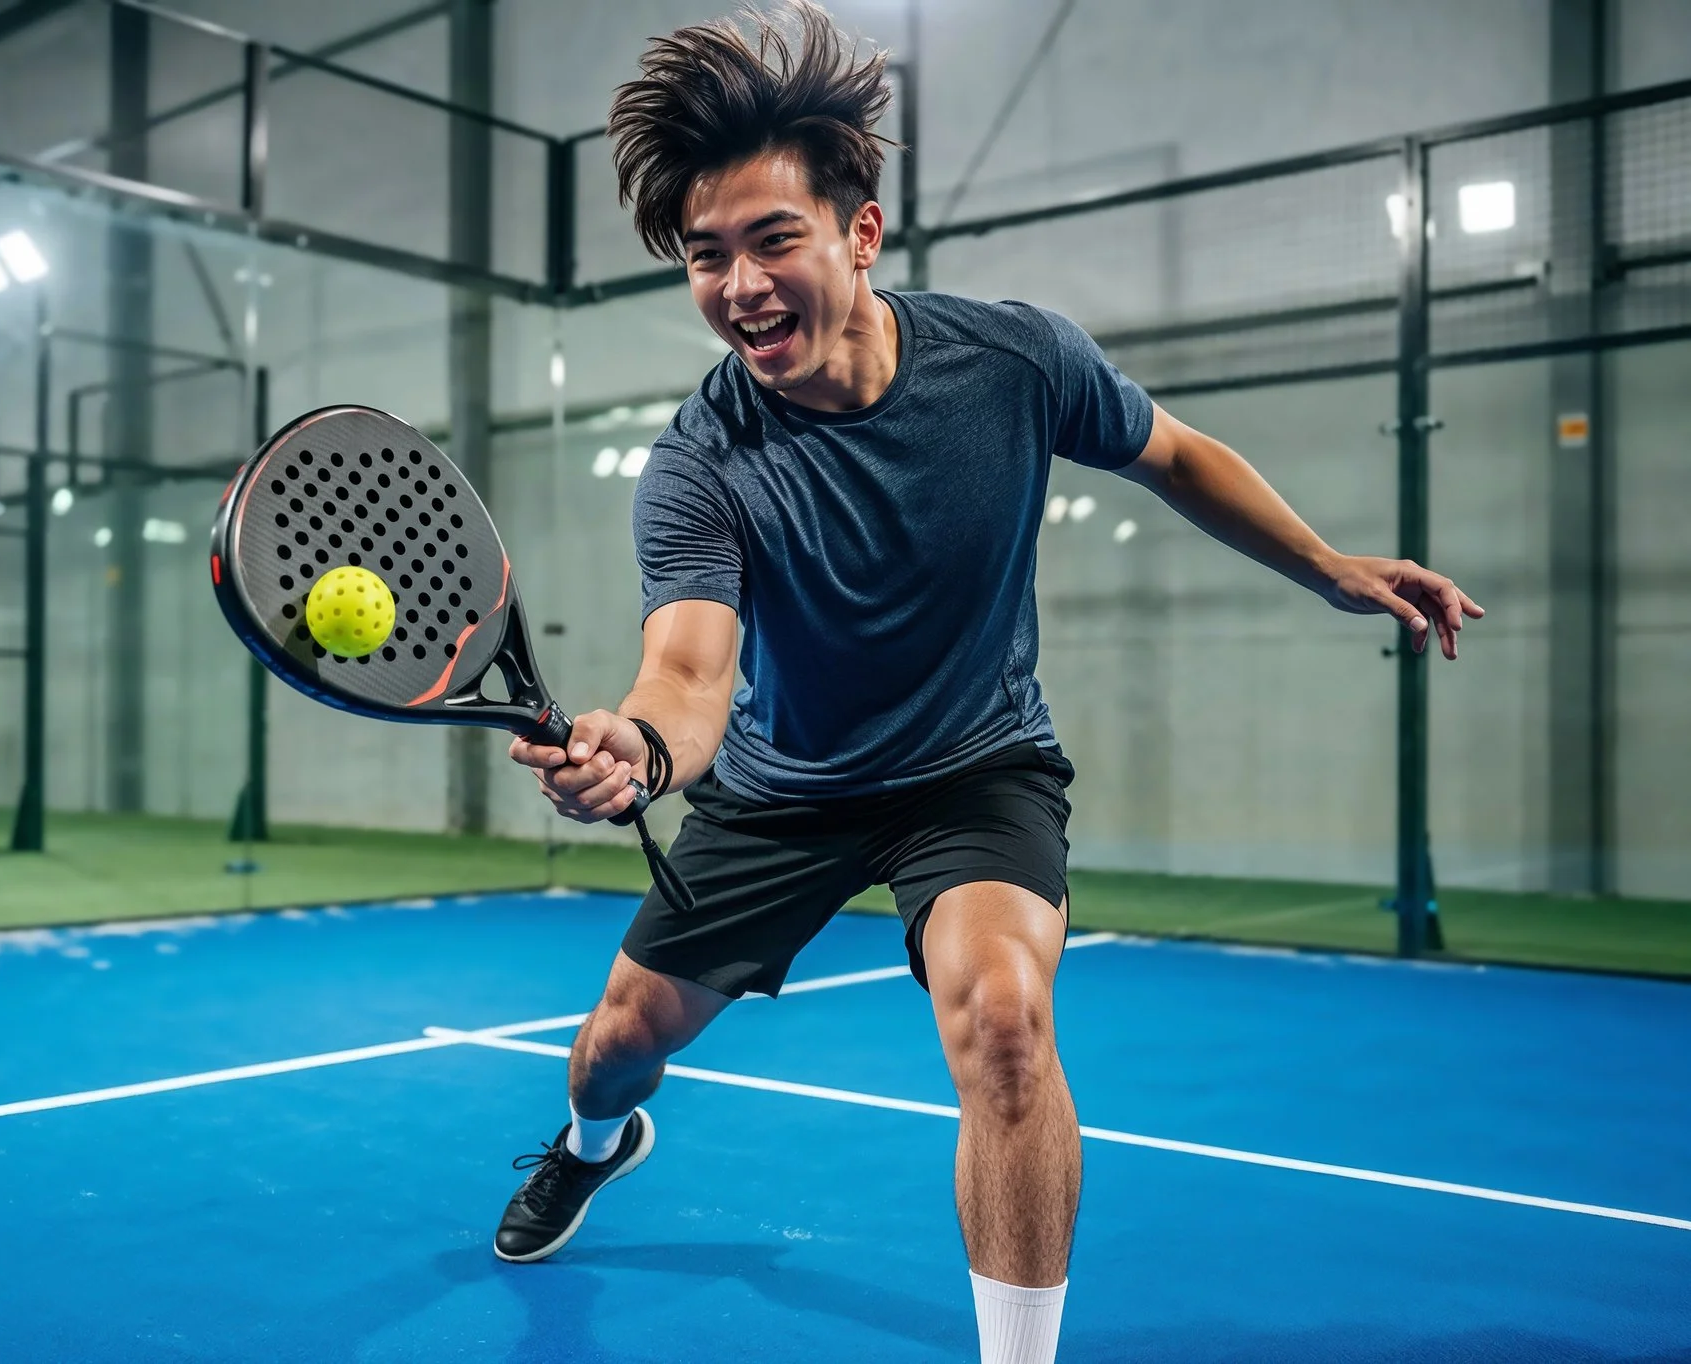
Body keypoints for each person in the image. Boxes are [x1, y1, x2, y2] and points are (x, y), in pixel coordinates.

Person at [489, 7, 1483, 1363]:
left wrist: (1322, 565)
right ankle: (594, 1146)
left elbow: (1175, 453)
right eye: (705, 258)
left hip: (975, 766)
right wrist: (642, 752)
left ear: (859, 234)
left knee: (1006, 1023)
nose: (739, 286)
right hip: (781, 791)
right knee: (616, 1044)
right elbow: (687, 672)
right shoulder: (700, 462)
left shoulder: (1013, 363)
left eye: (772, 239)